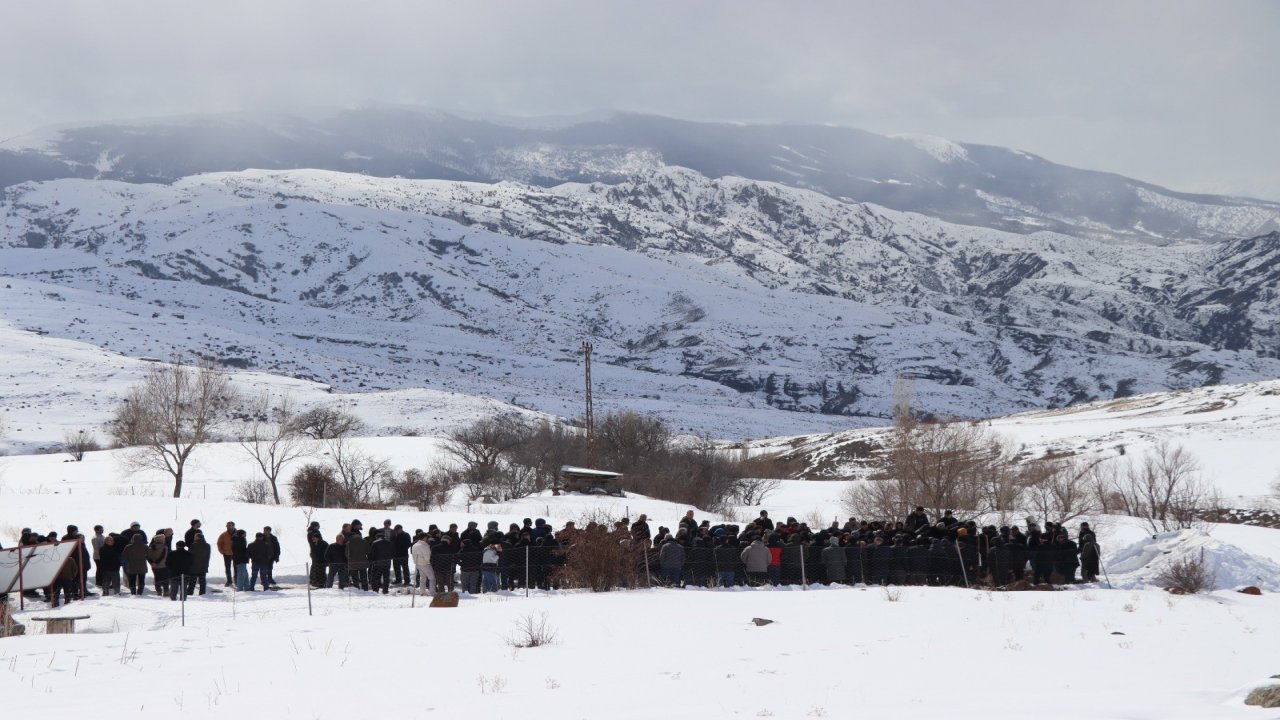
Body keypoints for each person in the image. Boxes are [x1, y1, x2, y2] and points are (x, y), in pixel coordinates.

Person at [148, 530, 171, 597]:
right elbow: (163, 556)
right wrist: (156, 563)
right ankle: (166, 591)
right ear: (161, 540)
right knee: (165, 579)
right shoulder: (164, 547)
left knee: (157, 579)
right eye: (163, 539)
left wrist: (152, 563)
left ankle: (158, 591)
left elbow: (147, 556)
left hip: (154, 567)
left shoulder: (150, 547)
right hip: (163, 566)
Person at [217, 522, 236, 587]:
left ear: (233, 526)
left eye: (229, 526)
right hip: (226, 553)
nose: (228, 527)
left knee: (236, 567)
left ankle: (236, 580)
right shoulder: (223, 535)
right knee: (227, 568)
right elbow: (219, 543)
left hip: (236, 554)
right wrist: (221, 551)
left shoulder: (238, 533)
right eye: (227, 526)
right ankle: (229, 581)